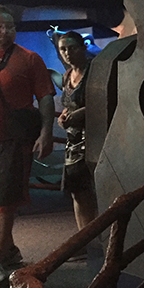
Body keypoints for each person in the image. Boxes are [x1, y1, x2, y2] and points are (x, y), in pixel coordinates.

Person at [0, 5, 55, 286]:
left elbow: (45, 98)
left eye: (10, 26)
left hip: (11, 142)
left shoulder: (29, 59)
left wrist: (46, 132)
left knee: (2, 204)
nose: (6, 31)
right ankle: (8, 253)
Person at [57, 31, 97, 233]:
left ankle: (103, 238)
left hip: (95, 138)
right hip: (73, 142)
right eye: (63, 49)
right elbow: (68, 105)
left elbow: (108, 99)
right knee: (78, 192)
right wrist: (63, 117)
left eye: (72, 48)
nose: (67, 53)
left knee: (96, 191)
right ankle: (85, 237)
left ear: (82, 48)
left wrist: (82, 113)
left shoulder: (95, 71)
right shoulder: (67, 75)